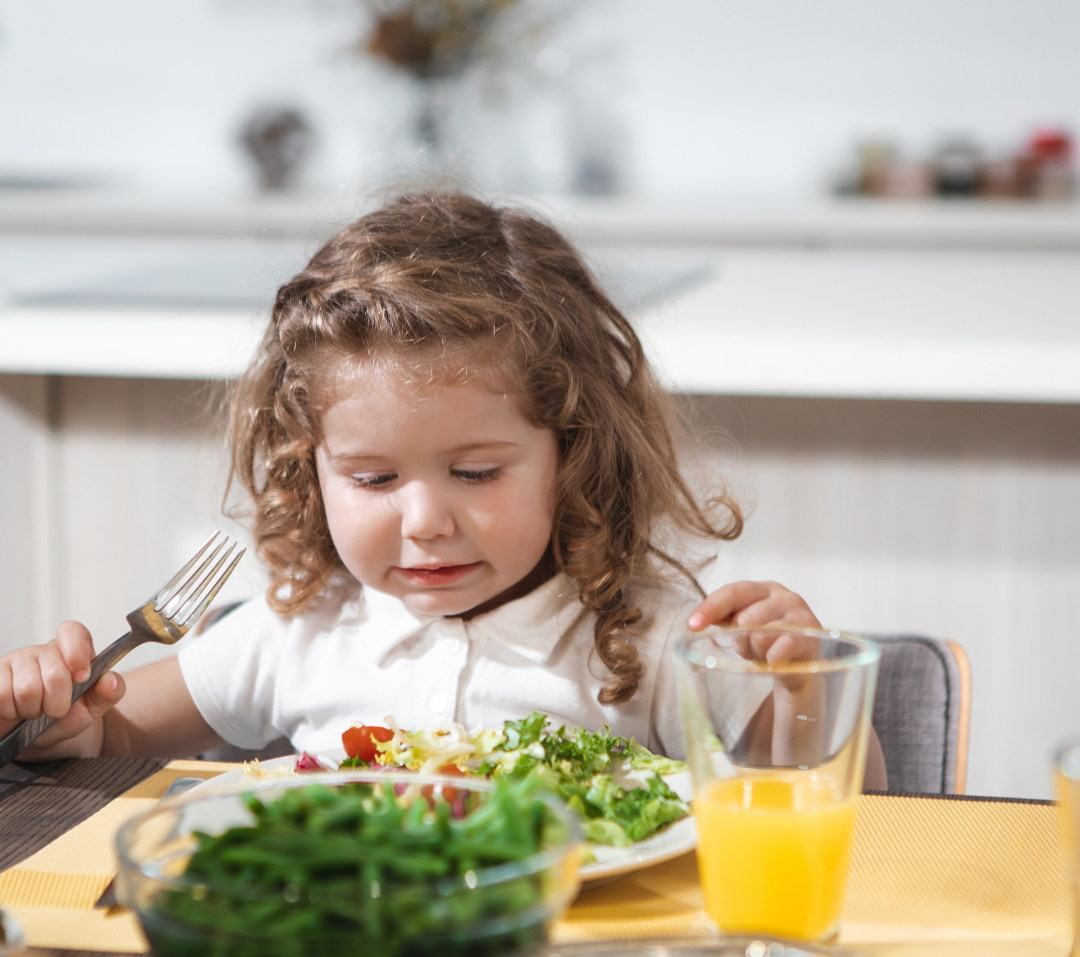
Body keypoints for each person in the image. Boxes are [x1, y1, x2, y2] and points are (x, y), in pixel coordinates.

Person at [0, 192, 887, 788]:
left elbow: (842, 791)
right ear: (311, 468)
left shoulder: (646, 637)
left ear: (570, 454)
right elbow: (115, 739)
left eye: (475, 473)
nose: (424, 521)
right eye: (372, 477)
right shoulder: (299, 625)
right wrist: (61, 722)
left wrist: (806, 687)